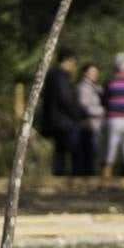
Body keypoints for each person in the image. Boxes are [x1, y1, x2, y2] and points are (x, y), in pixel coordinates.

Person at [40, 47, 85, 177]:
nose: (74, 66)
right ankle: (72, 177)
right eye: (73, 62)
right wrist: (78, 114)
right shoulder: (60, 76)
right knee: (73, 150)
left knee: (59, 151)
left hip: (54, 120)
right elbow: (64, 99)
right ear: (67, 60)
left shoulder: (51, 75)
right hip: (63, 121)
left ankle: (59, 174)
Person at [74, 63, 104, 176]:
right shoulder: (82, 88)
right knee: (87, 156)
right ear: (84, 73)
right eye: (92, 72)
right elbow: (85, 108)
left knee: (92, 156)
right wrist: (103, 111)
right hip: (87, 126)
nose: (95, 74)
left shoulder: (96, 88)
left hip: (95, 127)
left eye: (96, 72)